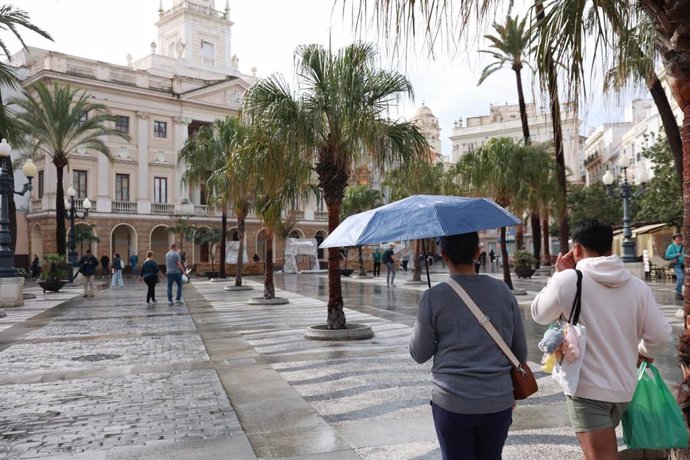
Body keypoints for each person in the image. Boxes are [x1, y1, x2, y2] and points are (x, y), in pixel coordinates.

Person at [531, 219, 672, 460]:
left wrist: (557, 276)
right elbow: (660, 337)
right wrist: (642, 350)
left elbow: (539, 314)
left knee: (601, 457)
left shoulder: (569, 280)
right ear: (611, 247)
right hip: (624, 388)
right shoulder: (637, 287)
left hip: (587, 390)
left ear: (576, 249)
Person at [410, 231, 527, 460]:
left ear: (443, 255)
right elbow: (519, 351)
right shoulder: (503, 291)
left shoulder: (433, 297)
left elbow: (419, 353)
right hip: (498, 400)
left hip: (452, 402)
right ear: (477, 252)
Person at [666, 233, 685, 300]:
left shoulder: (684, 246)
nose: (680, 239)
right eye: (678, 238)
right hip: (677, 265)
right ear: (674, 239)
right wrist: (676, 254)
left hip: (685, 265)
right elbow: (667, 255)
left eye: (681, 238)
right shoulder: (671, 247)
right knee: (680, 277)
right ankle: (678, 293)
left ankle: (683, 293)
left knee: (685, 279)